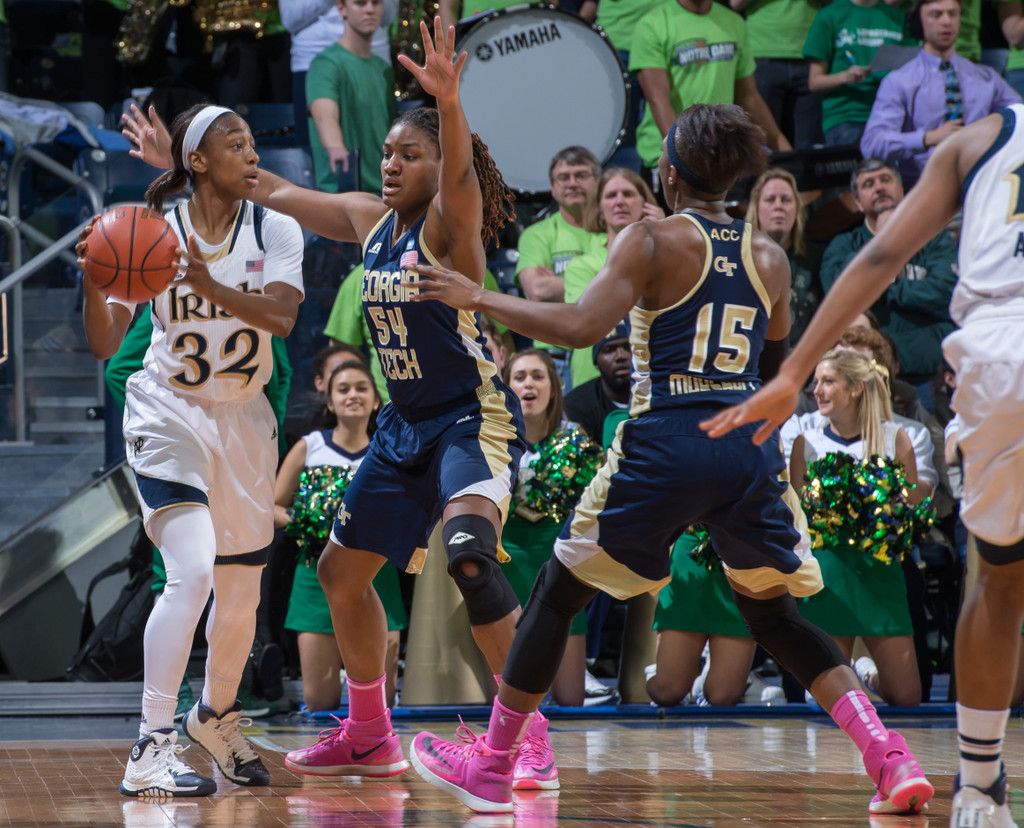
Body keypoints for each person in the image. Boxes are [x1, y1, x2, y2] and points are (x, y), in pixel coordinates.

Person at [402, 103, 932, 816]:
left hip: (666, 437)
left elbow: (581, 327)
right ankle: (889, 757)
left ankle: (495, 764)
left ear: (671, 173)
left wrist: (478, 295)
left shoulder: (648, 238)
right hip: (745, 444)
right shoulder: (770, 258)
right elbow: (772, 371)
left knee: (557, 595)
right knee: (774, 618)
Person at [122, 17, 549, 785]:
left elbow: (459, 177)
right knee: (340, 574)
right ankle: (368, 732)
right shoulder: (368, 221)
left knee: (470, 559)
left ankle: (530, 736)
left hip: (467, 421)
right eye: (386, 152)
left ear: (441, 164)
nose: (390, 164)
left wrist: (449, 104)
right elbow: (268, 188)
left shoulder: (453, 228)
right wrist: (181, 164)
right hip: (401, 428)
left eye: (408, 154)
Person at [701, 99, 1024, 828]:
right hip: (999, 344)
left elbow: (879, 256)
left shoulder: (978, 137)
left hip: (1001, 349)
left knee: (1000, 577)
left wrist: (791, 370)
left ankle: (979, 786)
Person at [83, 104, 305, 796]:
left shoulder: (274, 227)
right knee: (192, 570)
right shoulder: (153, 233)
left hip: (244, 419)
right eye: (236, 144)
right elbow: (103, 340)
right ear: (199, 161)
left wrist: (208, 284)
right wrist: (95, 280)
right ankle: (151, 743)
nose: (252, 153)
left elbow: (282, 316)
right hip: (168, 411)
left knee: (240, 594)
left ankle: (214, 714)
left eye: (253, 143)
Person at [790, 349, 926, 707]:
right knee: (826, 701)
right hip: (828, 573)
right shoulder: (807, 443)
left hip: (879, 571)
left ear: (855, 388)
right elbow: (797, 517)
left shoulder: (895, 438)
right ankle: (851, 678)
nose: (816, 390)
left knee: (907, 697)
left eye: (827, 381)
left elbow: (911, 509)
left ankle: (864, 672)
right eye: (815, 382)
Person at [275, 359, 407, 711]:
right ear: (330, 402)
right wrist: (309, 523)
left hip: (377, 577)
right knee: (320, 701)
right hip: (315, 576)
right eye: (343, 389)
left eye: (362, 388)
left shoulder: (390, 449)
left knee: (380, 701)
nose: (353, 395)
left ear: (376, 401)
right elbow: (272, 506)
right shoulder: (309, 446)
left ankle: (372, 742)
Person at [500, 349, 604, 709]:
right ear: (507, 387)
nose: (529, 384)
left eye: (538, 376)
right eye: (519, 377)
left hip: (560, 568)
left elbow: (597, 510)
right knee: (505, 699)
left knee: (570, 698)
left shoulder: (577, 442)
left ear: (554, 387)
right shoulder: (492, 442)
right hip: (505, 566)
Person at [820, 157, 957, 411]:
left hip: (931, 378)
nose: (879, 188)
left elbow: (944, 294)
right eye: (868, 184)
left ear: (902, 190)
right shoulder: (843, 246)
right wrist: (882, 242)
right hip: (864, 383)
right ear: (858, 202)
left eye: (885, 180)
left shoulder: (933, 239)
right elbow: (840, 296)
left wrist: (879, 285)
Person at [860, 0, 1020, 188]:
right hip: (922, 187)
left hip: (980, 184)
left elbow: (1020, 116)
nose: (946, 22)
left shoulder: (985, 77)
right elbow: (872, 143)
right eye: (936, 15)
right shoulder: (900, 81)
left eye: (953, 14)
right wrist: (927, 138)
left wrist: (988, 132)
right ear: (919, 21)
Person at [629, 0, 792, 175]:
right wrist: (683, 158)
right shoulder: (653, 24)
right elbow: (658, 99)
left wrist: (784, 148)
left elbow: (749, 97)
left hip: (719, 157)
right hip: (670, 160)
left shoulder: (733, 22)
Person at [564, 167, 662, 388]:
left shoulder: (664, 254)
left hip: (652, 370)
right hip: (591, 376)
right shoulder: (580, 265)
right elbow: (591, 317)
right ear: (599, 208)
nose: (619, 202)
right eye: (610, 195)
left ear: (646, 204)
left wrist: (664, 233)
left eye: (628, 194)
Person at [516, 146, 604, 390]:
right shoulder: (537, 235)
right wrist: (603, 283)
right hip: (554, 357)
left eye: (581, 175)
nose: (572, 183)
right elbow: (537, 290)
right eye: (563, 178)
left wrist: (558, 283)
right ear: (553, 189)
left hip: (607, 349)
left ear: (598, 182)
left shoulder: (612, 229)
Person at [307, 0, 398, 195]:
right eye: (360, 3)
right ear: (341, 8)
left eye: (376, 3)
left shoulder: (384, 70)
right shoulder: (325, 64)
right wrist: (336, 147)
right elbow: (324, 115)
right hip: (343, 193)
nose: (370, 9)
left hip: (384, 191)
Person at [802, 0, 910, 146]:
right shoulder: (830, 15)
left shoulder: (897, 17)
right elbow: (814, 82)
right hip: (849, 115)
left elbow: (913, 65)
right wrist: (845, 77)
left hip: (893, 114)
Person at [731, 0, 823, 148]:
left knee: (810, 147)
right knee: (763, 144)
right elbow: (735, 3)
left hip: (811, 54)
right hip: (762, 54)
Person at [745, 168, 820, 346]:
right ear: (756, 208)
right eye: (770, 199)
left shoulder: (816, 258)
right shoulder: (739, 258)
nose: (778, 206)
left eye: (786, 200)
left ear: (797, 209)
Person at [563, 322, 632, 444]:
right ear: (596, 362)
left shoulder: (656, 394)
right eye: (609, 350)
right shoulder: (576, 405)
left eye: (627, 347)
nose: (620, 356)